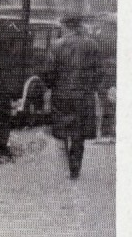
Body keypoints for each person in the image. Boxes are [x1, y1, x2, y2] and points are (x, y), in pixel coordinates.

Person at [43, 12, 103, 180]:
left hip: (61, 96)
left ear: (65, 26)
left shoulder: (56, 46)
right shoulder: (92, 45)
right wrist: (90, 87)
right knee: (79, 133)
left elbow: (48, 73)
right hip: (84, 96)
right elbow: (100, 72)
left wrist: (51, 86)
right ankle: (74, 169)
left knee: (61, 131)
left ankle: (64, 168)